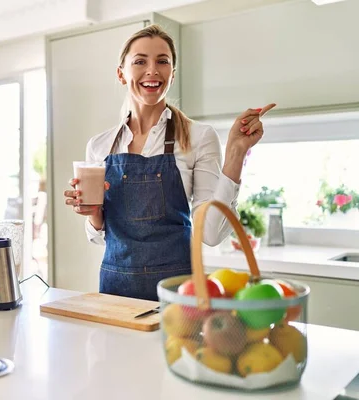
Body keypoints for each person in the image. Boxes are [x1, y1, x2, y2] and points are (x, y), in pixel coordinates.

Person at [63, 24, 275, 301]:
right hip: (115, 292)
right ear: (121, 74)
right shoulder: (100, 145)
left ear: (172, 75)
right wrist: (91, 211)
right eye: (140, 61)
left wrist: (236, 152)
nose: (152, 70)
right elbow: (101, 236)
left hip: (179, 294)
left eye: (162, 61)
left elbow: (210, 234)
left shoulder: (199, 137)